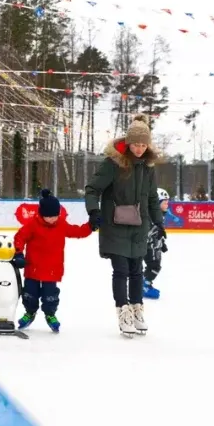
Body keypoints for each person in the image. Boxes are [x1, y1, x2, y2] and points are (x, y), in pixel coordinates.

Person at [85, 115, 163, 337]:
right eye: (135, 144)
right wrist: (94, 211)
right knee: (121, 271)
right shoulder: (114, 163)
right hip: (115, 225)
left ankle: (137, 311)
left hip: (139, 226)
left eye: (143, 144)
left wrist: (159, 222)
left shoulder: (148, 167)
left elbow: (152, 198)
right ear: (128, 143)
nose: (139, 149)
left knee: (137, 271)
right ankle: (123, 313)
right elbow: (92, 189)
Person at [13, 189, 93, 333]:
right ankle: (29, 312)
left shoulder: (61, 224)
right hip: (33, 268)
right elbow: (20, 237)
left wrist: (90, 226)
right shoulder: (32, 224)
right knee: (29, 294)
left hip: (52, 269)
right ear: (41, 214)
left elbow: (77, 232)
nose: (52, 219)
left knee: (50, 296)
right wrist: (19, 253)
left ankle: (50, 315)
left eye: (55, 215)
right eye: (49, 216)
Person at [143, 188, 170, 299]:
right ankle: (144, 286)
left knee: (154, 266)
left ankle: (144, 283)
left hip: (155, 246)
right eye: (165, 202)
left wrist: (161, 243)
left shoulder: (159, 215)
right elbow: (145, 233)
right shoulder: (149, 216)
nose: (167, 205)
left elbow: (159, 231)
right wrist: (156, 231)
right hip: (149, 247)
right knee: (154, 266)